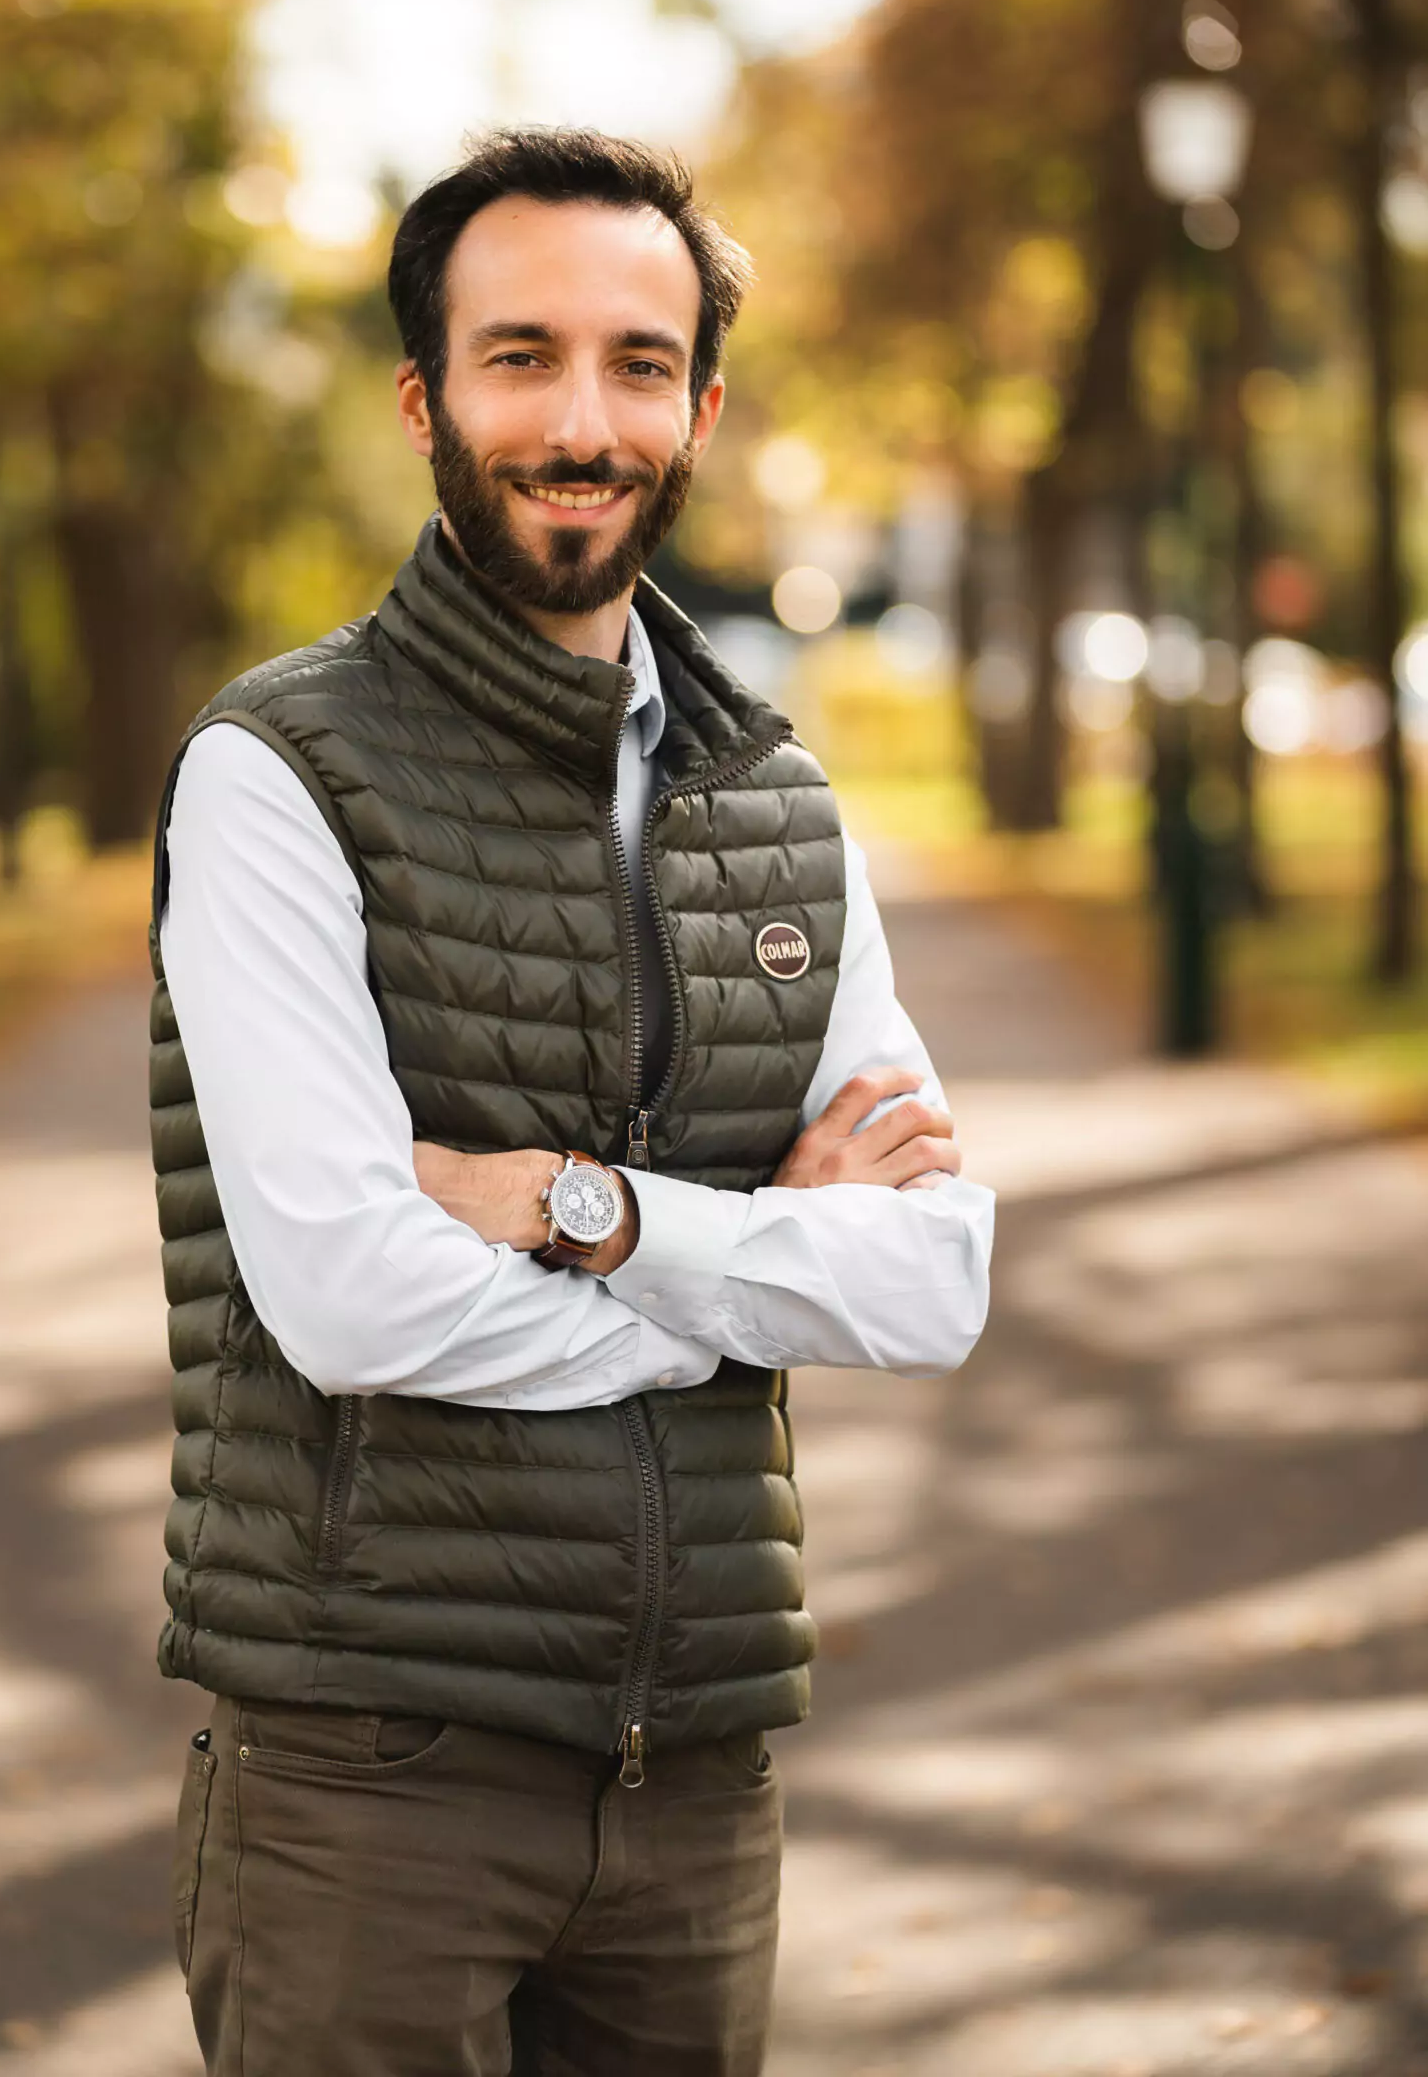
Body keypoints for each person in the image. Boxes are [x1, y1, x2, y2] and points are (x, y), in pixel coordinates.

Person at [151, 126, 994, 2076]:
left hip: (696, 1780)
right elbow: (350, 1296)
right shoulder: (279, 771)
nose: (580, 417)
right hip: (374, 1778)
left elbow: (932, 1277)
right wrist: (751, 1273)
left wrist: (586, 1210)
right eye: (518, 353)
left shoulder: (777, 802)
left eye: (636, 362)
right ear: (423, 395)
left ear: (697, 407)